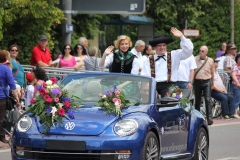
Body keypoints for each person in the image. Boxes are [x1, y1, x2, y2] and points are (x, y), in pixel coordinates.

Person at [141, 27, 193, 98]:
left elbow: (188, 51)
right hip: (153, 85)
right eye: (159, 45)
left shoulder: (174, 55)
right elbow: (145, 76)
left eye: (164, 45)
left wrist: (182, 37)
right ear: (155, 47)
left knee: (168, 102)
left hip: (169, 85)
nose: (162, 47)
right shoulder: (149, 60)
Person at [0, 50, 19, 143]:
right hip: (1, 98)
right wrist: (16, 98)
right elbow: (12, 85)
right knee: (1, 119)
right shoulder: (6, 69)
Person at [194, 45, 214, 125]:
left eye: (202, 51)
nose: (200, 52)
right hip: (197, 81)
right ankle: (197, 117)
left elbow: (212, 72)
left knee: (208, 99)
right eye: (200, 50)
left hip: (207, 81)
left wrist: (213, 83)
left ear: (206, 52)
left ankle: (209, 118)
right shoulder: (195, 59)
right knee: (197, 100)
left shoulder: (210, 60)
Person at [231, 54, 240, 118]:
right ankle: (234, 112)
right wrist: (237, 82)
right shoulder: (235, 67)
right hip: (236, 84)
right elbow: (233, 75)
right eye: (239, 58)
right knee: (237, 98)